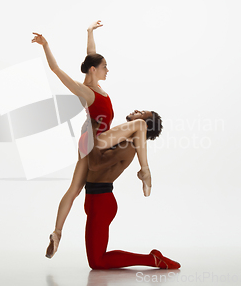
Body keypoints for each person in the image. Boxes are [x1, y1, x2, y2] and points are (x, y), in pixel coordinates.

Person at [31, 22, 156, 259]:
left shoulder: (94, 83)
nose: (107, 70)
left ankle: (57, 234)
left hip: (87, 141)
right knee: (139, 125)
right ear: (93, 70)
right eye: (104, 67)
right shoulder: (87, 91)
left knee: (74, 189)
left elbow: (91, 54)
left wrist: (89, 32)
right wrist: (46, 46)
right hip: (98, 139)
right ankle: (145, 172)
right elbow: (56, 70)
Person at [83, 116, 180, 269]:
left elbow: (95, 164)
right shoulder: (118, 141)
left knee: (97, 262)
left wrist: (90, 132)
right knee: (97, 260)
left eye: (142, 113)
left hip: (101, 201)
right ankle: (152, 259)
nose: (136, 111)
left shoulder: (127, 147)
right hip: (94, 199)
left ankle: (152, 260)